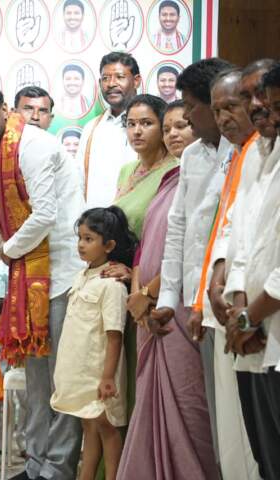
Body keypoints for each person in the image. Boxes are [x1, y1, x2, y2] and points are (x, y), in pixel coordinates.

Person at [0, 83, 85, 480]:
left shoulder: (32, 146)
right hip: (30, 273)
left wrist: (10, 254)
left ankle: (58, 469)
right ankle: (35, 464)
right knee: (36, 379)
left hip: (62, 273)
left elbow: (44, 214)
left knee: (61, 377)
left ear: (4, 109)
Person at [153, 59, 259, 480]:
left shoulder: (249, 150)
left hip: (244, 300)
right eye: (211, 108)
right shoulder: (193, 155)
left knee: (249, 417)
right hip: (203, 302)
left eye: (191, 106)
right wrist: (174, 299)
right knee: (221, 416)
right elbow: (180, 227)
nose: (190, 116)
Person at [117, 100, 217, 479]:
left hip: (177, 303)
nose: (175, 134)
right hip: (148, 305)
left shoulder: (204, 173)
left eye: (183, 126)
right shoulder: (166, 179)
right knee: (150, 397)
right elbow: (145, 243)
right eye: (170, 127)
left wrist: (151, 293)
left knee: (189, 401)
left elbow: (190, 244)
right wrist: (138, 292)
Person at [211, 61, 280, 480]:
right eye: (249, 97)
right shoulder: (256, 153)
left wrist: (247, 318)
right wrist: (239, 310)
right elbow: (241, 237)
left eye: (265, 95)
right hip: (252, 334)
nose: (258, 105)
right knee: (265, 455)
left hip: (269, 328)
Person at [52, 206, 136, 480]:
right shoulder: (83, 276)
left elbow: (114, 335)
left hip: (100, 374)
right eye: (80, 237)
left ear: (109, 245)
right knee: (89, 426)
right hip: (82, 373)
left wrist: (108, 376)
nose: (81, 244)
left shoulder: (112, 285)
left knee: (107, 428)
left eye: (89, 239)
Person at [77, 52, 141, 208]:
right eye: (105, 78)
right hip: (94, 218)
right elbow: (78, 180)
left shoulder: (154, 124)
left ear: (136, 81)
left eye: (119, 77)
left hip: (136, 219)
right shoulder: (91, 128)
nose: (111, 84)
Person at [114, 94, 178, 239]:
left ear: (163, 128)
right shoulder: (127, 169)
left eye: (146, 123)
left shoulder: (175, 172)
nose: (136, 131)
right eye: (131, 124)